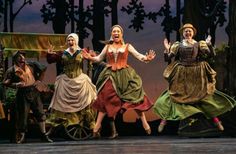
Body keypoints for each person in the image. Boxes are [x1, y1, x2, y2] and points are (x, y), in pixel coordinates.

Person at [153, 23, 236, 137]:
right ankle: (164, 121)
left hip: (196, 73)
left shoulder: (199, 44)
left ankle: (217, 122)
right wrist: (167, 50)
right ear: (183, 33)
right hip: (181, 73)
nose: (187, 32)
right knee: (175, 96)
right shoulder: (178, 45)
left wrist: (209, 45)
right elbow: (168, 58)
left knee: (202, 98)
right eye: (185, 31)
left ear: (193, 33)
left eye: (189, 31)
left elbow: (211, 55)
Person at [82, 25, 156, 138]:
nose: (116, 33)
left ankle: (144, 122)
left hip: (125, 75)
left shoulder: (127, 46)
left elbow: (139, 56)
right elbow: (98, 58)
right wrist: (89, 57)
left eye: (118, 31)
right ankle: (97, 127)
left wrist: (147, 58)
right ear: (112, 34)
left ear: (121, 34)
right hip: (110, 75)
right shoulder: (107, 47)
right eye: (114, 31)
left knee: (134, 97)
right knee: (105, 98)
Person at [46, 33, 97, 137]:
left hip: (80, 80)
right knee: (60, 103)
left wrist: (93, 56)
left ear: (76, 41)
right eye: (69, 40)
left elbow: (92, 59)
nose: (70, 42)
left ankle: (93, 129)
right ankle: (52, 128)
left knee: (85, 102)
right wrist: (49, 54)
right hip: (66, 81)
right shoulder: (63, 53)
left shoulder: (82, 52)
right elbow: (50, 60)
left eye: (72, 40)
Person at [3, 51, 53, 143]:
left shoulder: (31, 65)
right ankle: (22, 136)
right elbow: (5, 82)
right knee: (23, 115)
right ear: (15, 59)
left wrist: (39, 80)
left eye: (23, 56)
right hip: (22, 93)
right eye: (19, 57)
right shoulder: (12, 70)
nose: (22, 59)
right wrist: (16, 84)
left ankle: (43, 135)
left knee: (40, 112)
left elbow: (43, 68)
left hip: (34, 91)